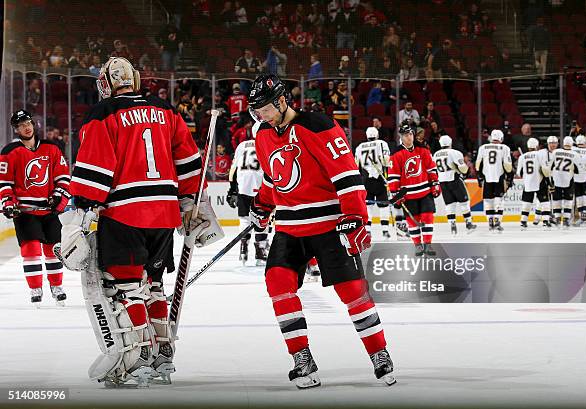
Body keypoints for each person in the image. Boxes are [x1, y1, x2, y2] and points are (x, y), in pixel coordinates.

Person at [61, 57, 223, 387]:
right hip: (163, 213)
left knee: (126, 289)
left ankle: (141, 355)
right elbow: (190, 163)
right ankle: (164, 350)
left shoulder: (103, 114)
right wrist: (189, 201)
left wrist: (82, 210)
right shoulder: (166, 109)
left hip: (124, 212)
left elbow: (95, 170)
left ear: (107, 83)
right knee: (155, 285)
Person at [246, 74, 395, 388]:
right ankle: (302, 356)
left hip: (329, 223)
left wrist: (356, 216)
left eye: (264, 109)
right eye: (257, 110)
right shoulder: (261, 134)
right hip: (289, 226)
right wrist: (262, 205)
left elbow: (347, 174)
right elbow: (274, 180)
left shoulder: (317, 126)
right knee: (277, 282)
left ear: (282, 100)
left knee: (352, 290)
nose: (261, 115)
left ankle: (379, 352)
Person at [0, 110, 70, 306]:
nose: (26, 127)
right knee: (31, 250)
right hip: (25, 212)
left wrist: (58, 198)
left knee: (53, 249)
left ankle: (56, 286)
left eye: (28, 122)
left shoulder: (51, 148)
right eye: (21, 125)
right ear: (16, 129)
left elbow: (63, 178)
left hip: (48, 211)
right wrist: (8, 202)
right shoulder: (9, 152)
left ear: (33, 124)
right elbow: (4, 183)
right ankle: (35, 289)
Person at [388, 120, 440, 256]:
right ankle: (417, 245)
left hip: (425, 190)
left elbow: (431, 167)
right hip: (408, 193)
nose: (408, 137)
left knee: (428, 216)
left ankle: (428, 244)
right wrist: (395, 194)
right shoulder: (395, 154)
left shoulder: (423, 149)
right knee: (413, 220)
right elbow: (393, 176)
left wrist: (435, 183)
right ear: (401, 137)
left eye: (410, 134)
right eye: (405, 135)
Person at [226, 126, 268, 265]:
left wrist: (232, 190)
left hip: (243, 186)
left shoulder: (242, 145)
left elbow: (233, 169)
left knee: (244, 218)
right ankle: (260, 251)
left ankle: (243, 248)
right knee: (263, 218)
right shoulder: (266, 143)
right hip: (260, 186)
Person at [432, 135, 477, 235]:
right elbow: (463, 169)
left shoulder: (435, 155)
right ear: (450, 143)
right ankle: (468, 224)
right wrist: (463, 168)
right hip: (454, 179)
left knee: (449, 205)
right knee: (464, 202)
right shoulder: (455, 152)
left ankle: (452, 226)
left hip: (442, 182)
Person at [354, 127, 391, 239]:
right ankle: (385, 231)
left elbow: (356, 165)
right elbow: (386, 161)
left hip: (366, 180)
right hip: (380, 179)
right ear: (377, 134)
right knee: (383, 205)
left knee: (368, 206)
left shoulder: (359, 147)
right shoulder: (382, 143)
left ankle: (368, 231)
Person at [475, 129, 513, 232]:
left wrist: (479, 176)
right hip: (499, 176)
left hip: (487, 176)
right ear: (501, 138)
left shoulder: (482, 147)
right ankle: (497, 221)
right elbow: (508, 166)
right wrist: (509, 177)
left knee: (488, 200)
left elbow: (478, 164)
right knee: (499, 199)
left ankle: (490, 222)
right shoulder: (504, 148)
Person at [516, 138, 551, 230]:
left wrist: (527, 177)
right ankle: (545, 222)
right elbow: (545, 170)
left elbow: (519, 173)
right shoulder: (540, 155)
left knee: (526, 202)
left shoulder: (522, 157)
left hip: (528, 182)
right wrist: (549, 181)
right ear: (536, 146)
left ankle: (523, 221)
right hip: (540, 181)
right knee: (545, 202)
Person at [550, 136, 580, 228]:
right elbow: (577, 170)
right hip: (568, 179)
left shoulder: (555, 152)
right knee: (568, 200)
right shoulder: (575, 154)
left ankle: (558, 218)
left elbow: (550, 166)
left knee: (556, 199)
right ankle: (566, 219)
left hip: (556, 178)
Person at [533, 135, 558, 227]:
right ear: (548, 144)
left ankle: (549, 216)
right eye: (551, 143)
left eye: (554, 143)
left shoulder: (559, 153)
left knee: (551, 198)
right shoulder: (541, 153)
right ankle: (538, 216)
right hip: (544, 177)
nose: (553, 145)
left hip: (555, 177)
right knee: (543, 198)